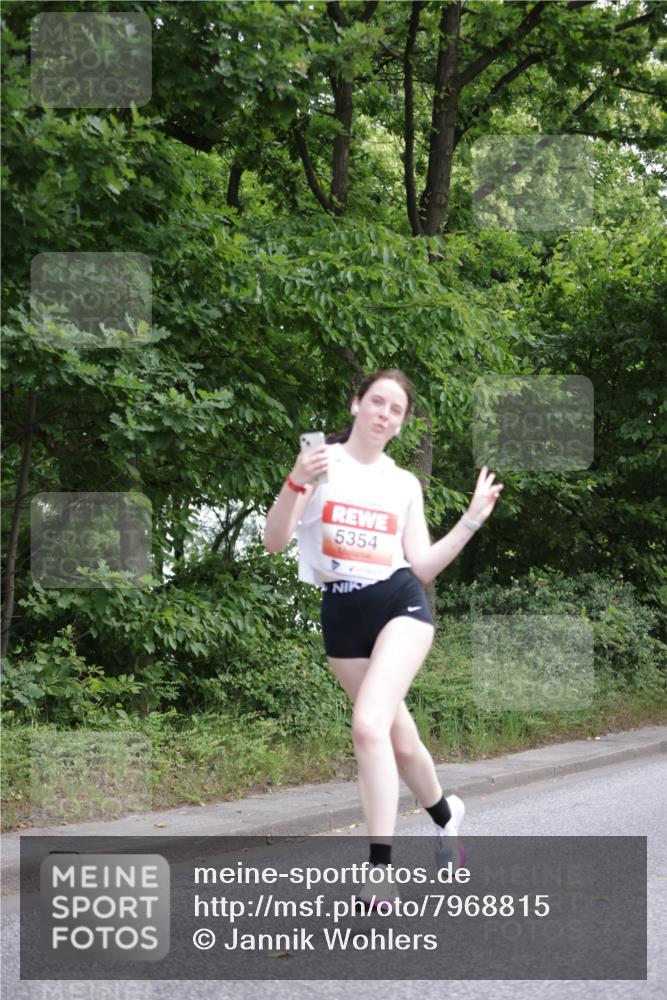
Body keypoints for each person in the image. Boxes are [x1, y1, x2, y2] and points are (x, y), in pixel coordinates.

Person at [263, 368, 503, 911]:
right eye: (376, 402)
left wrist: (468, 521)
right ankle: (446, 815)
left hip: (399, 604)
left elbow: (420, 566)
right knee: (397, 738)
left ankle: (379, 872)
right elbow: (276, 542)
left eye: (395, 410)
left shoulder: (404, 484)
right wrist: (296, 480)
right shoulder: (320, 464)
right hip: (341, 615)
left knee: (368, 727)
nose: (384, 414)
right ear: (356, 405)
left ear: (401, 424)